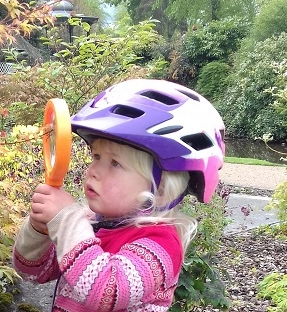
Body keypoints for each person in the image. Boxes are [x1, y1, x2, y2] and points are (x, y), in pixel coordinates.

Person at [13, 79, 225, 311]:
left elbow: (106, 292)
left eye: (115, 163)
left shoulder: (160, 245)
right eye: (96, 157)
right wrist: (39, 229)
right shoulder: (92, 226)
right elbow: (33, 272)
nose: (93, 171)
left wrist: (66, 218)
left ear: (161, 190)